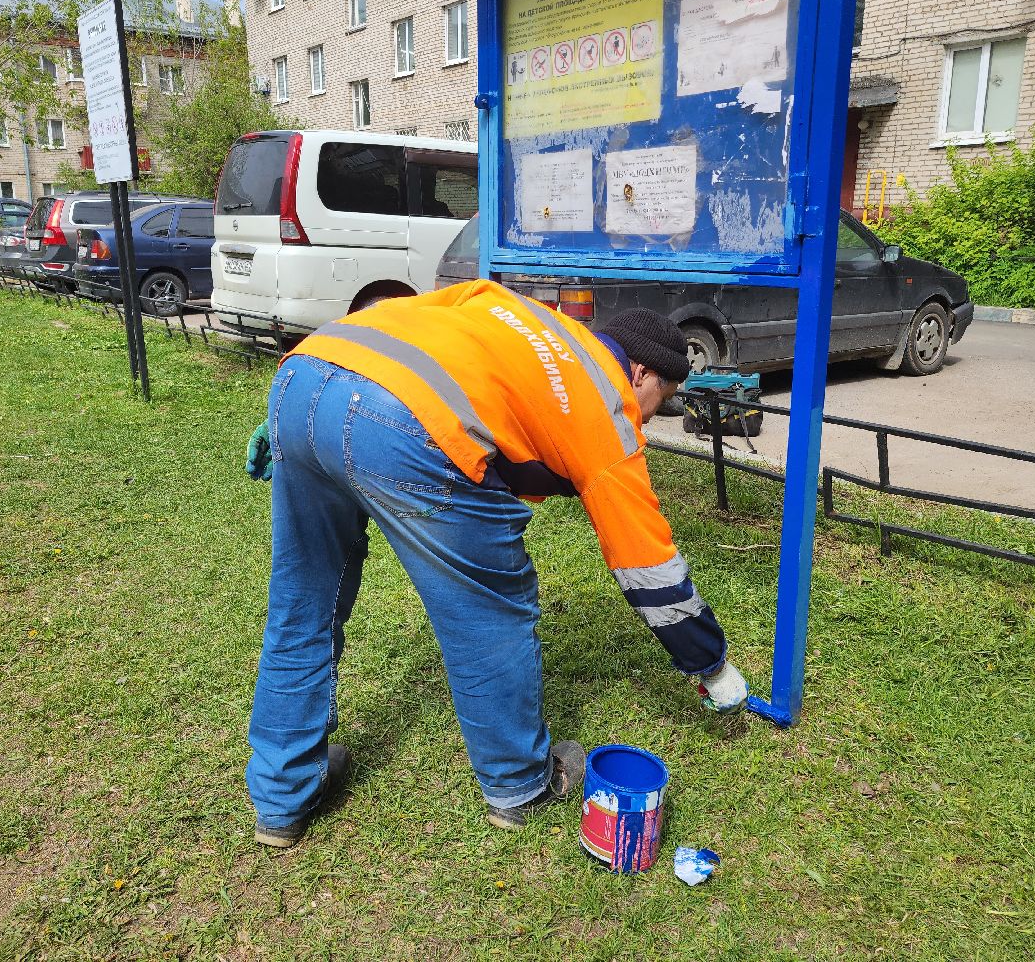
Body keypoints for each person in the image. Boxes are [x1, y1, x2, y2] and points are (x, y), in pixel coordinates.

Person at [245, 279, 749, 848]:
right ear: (640, 375)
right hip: (406, 423)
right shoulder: (606, 407)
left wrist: (311, 417)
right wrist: (710, 663)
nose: (651, 418)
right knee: (490, 614)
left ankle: (282, 797)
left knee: (304, 602)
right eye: (662, 401)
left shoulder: (519, 313)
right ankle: (519, 783)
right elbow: (647, 565)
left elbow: (397, 316)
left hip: (309, 372)